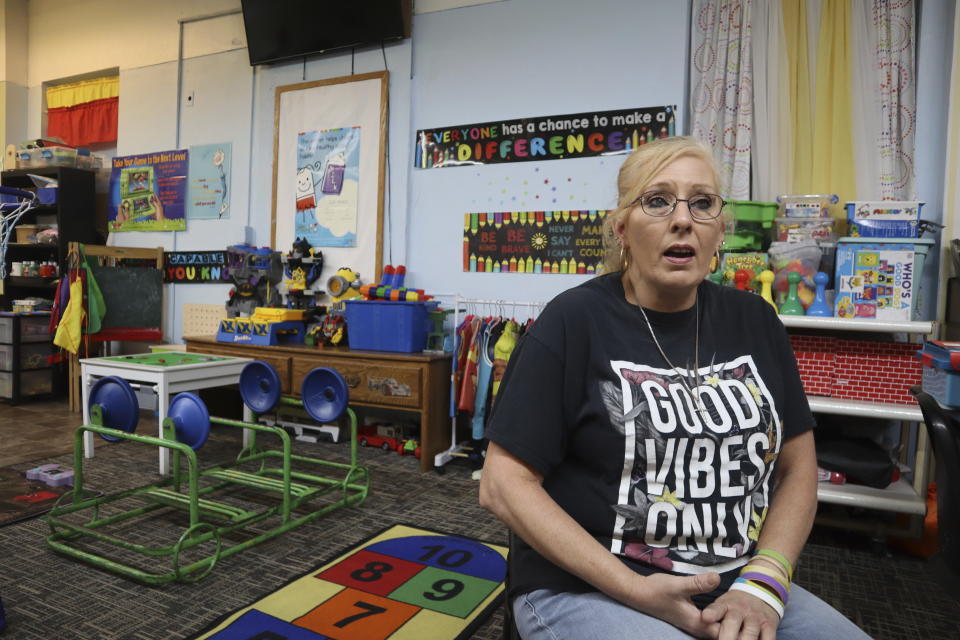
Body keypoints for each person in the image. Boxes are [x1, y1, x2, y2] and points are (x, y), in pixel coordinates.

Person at [479, 136, 871, 640]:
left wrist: (766, 580)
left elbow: (798, 468)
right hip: (588, 582)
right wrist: (634, 588)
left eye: (702, 202)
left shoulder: (756, 320)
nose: (682, 218)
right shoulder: (573, 320)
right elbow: (502, 485)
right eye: (657, 200)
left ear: (718, 231)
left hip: (736, 580)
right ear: (621, 228)